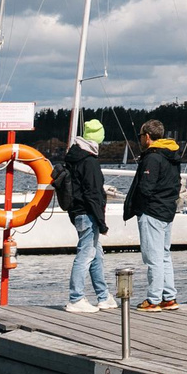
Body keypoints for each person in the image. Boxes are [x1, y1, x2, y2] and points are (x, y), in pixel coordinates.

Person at [123, 119, 182, 311]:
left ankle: (154, 299)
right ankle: (169, 297)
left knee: (153, 257)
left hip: (152, 212)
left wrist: (139, 209)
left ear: (147, 136)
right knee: (164, 255)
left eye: (140, 136)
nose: (140, 140)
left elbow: (145, 188)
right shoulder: (171, 155)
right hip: (167, 211)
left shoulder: (152, 157)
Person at [62, 120, 112, 313]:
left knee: (96, 254)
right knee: (85, 255)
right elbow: (93, 194)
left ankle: (103, 296)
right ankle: (76, 298)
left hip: (76, 212)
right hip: (87, 214)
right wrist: (102, 222)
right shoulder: (89, 162)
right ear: (97, 138)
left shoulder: (74, 157)